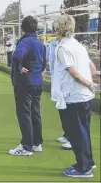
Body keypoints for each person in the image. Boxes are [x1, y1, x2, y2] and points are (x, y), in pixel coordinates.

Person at [51, 14, 98, 178]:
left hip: (74, 96)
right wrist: (92, 82)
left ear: (58, 28)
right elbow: (91, 67)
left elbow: (74, 73)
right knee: (82, 131)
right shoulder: (78, 45)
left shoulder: (63, 48)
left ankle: (84, 168)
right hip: (84, 96)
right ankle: (87, 162)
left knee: (76, 133)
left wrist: (90, 84)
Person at [9, 15, 46, 156]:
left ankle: (26, 146)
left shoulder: (24, 42)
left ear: (23, 29)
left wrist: (19, 68)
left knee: (24, 113)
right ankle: (37, 143)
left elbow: (17, 56)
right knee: (35, 112)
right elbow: (43, 65)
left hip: (25, 83)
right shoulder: (40, 43)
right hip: (38, 82)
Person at [47, 29, 72, 150]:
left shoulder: (69, 45)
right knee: (61, 107)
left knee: (68, 109)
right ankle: (67, 134)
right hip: (56, 78)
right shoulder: (53, 44)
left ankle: (72, 137)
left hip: (65, 80)